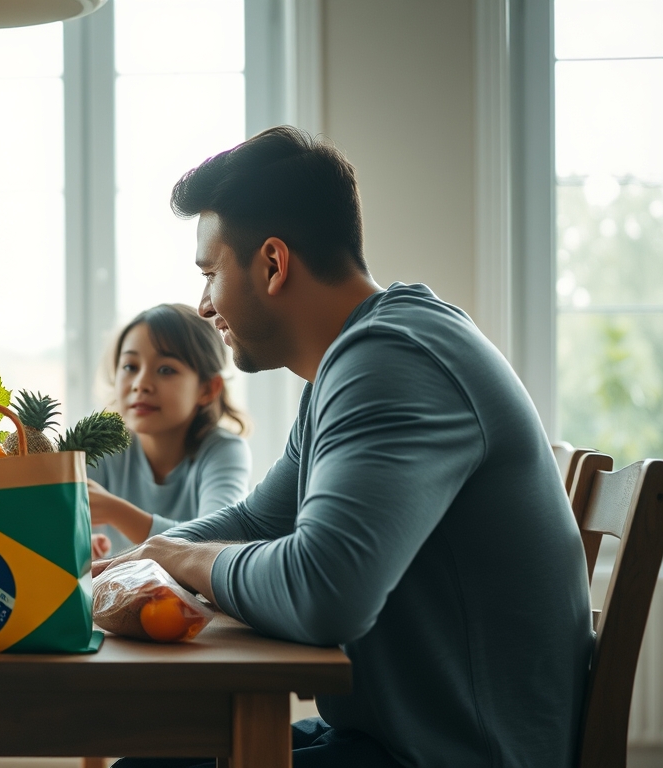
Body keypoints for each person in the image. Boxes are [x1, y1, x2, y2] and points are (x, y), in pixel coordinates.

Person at [95, 127, 593, 768]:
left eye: (211, 273)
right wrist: (136, 563)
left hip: (456, 756)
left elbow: (323, 593)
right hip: (399, 739)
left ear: (273, 264)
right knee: (150, 761)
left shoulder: (392, 360)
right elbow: (257, 520)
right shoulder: (363, 356)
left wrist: (186, 561)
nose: (203, 304)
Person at [87, 303, 250, 559]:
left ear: (207, 389)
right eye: (130, 367)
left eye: (166, 370)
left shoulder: (224, 451)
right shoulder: (101, 446)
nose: (141, 384)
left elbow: (217, 541)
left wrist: (116, 512)